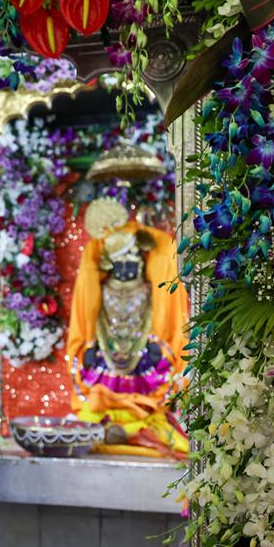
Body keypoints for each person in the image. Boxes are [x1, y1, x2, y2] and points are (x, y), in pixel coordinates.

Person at [66, 196, 189, 457]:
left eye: (134, 261)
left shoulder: (147, 288)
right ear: (110, 265)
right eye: (122, 263)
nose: (128, 267)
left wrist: (151, 346)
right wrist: (95, 347)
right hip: (107, 358)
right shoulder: (103, 286)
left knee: (152, 388)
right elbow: (97, 316)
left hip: (140, 355)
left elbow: (150, 318)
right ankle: (112, 425)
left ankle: (133, 425)